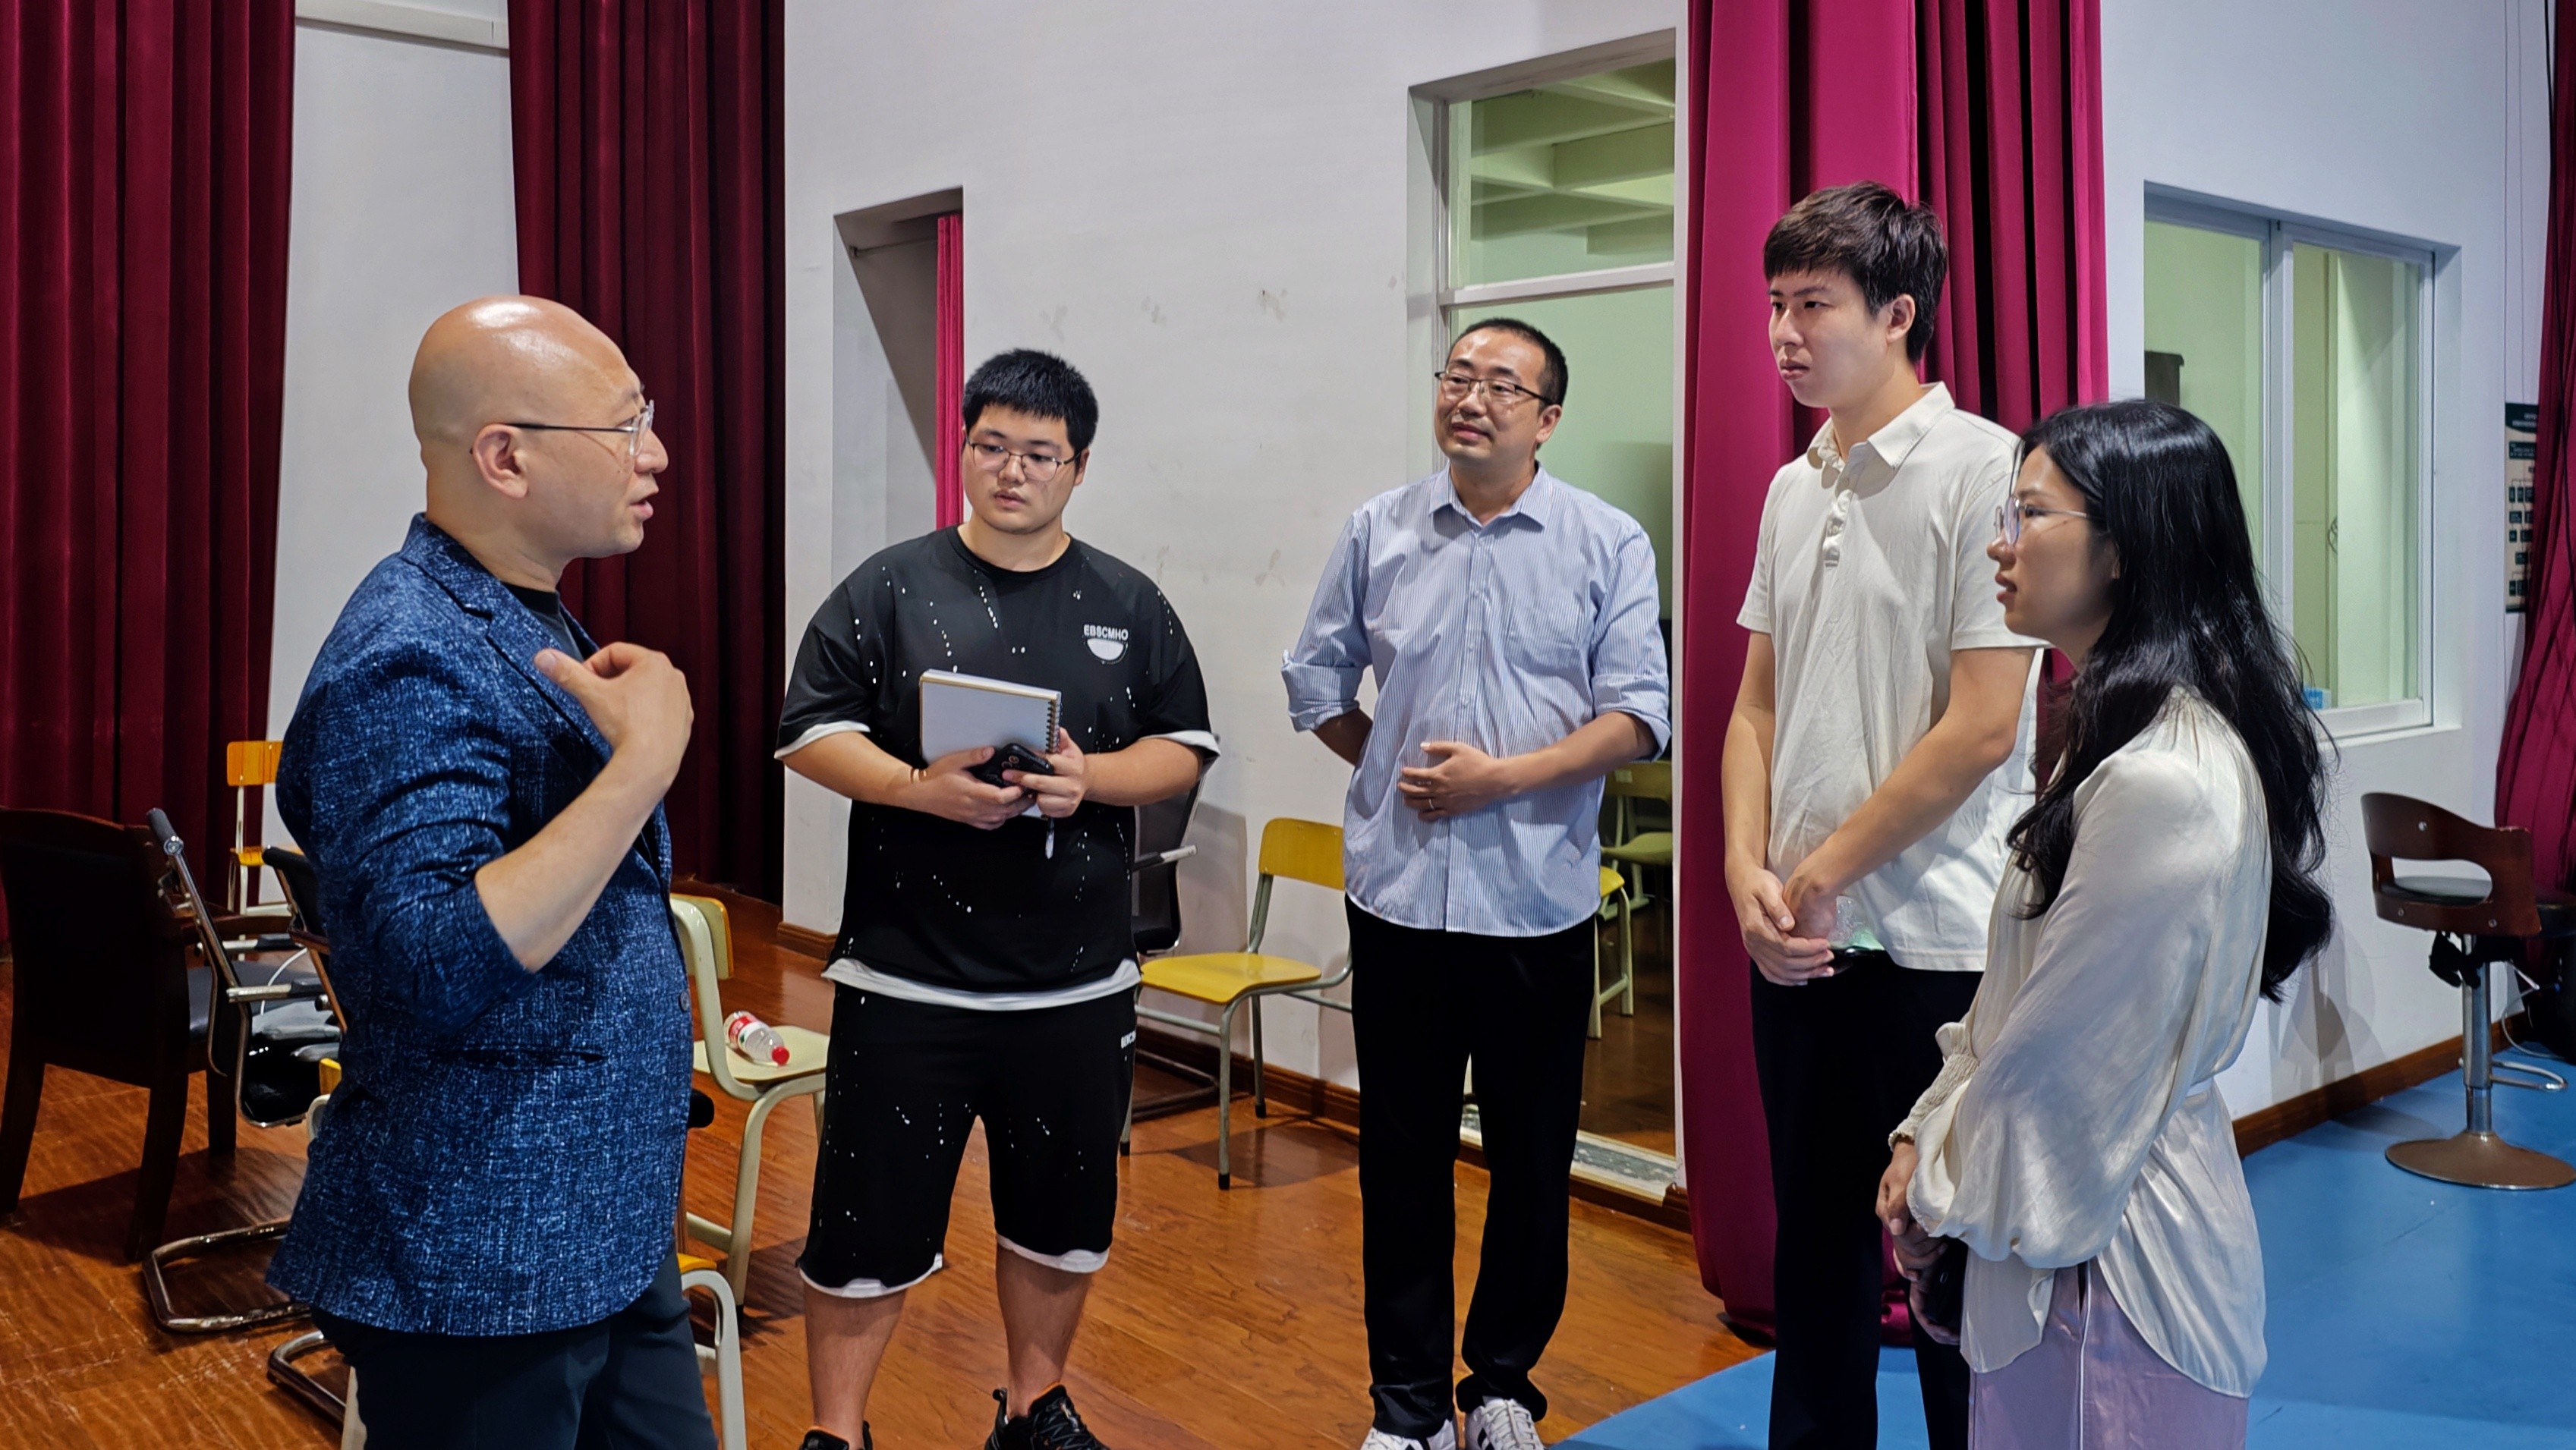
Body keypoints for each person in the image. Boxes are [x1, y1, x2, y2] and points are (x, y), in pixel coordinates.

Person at [269, 297, 710, 1450]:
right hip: (482, 1251)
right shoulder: (408, 652)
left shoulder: (515, 616)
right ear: (505, 457)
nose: (657, 454)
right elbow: (426, 961)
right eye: (625, 426)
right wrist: (642, 767)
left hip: (598, 1215)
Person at [777, 350, 1215, 1450]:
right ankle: (838, 1432)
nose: (1013, 471)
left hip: (1076, 983)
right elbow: (809, 732)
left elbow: (1184, 747)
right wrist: (913, 789)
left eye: (1040, 454)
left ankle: (1033, 1408)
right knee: (864, 1223)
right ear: (963, 449)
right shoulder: (889, 587)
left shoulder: (1130, 602)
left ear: (1079, 468)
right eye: (991, 446)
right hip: (904, 975)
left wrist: (1090, 779)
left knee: (1061, 1221)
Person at [1878, 399, 2332, 1448]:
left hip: (2109, 1271)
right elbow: (2011, 1007)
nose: (2000, 544)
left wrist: (1932, 1184)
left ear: (2122, 549)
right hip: (2070, 1257)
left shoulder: (2163, 778)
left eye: (2030, 514)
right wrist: (1924, 1131)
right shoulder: (2117, 740)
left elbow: (2059, 1071)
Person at [1284, 318, 1671, 1450]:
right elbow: (1316, 681)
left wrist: (1503, 780)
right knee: (1400, 1160)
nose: (1472, 398)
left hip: (1535, 904)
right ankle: (1403, 1409)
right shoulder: (1379, 529)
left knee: (1531, 1161)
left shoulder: (1606, 541)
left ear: (1547, 419)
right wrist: (1389, 768)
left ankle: (1500, 1386)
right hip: (1398, 899)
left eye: (1502, 385)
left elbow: (1638, 716)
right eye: (1458, 376)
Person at [1721, 181, 2041, 1450]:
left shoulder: (1986, 469)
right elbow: (1752, 706)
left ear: (1898, 313)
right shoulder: (1789, 486)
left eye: (1813, 305)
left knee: (1947, 1263)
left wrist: (1813, 873)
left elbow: (1982, 725)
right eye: (1774, 305)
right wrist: (1744, 869)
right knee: (1813, 1259)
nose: (1784, 334)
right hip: (1797, 942)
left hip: (1936, 944)